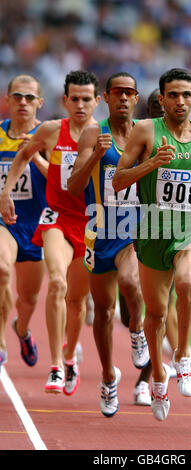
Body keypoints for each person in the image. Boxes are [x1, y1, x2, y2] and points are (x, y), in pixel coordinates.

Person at [112, 68, 191, 421]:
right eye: (172, 95)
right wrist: (152, 164)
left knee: (187, 281)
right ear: (161, 99)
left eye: (185, 95)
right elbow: (118, 180)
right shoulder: (147, 130)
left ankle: (183, 355)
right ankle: (159, 375)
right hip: (153, 232)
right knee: (156, 314)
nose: (179, 101)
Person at [0, 70, 100, 396]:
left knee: (71, 300)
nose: (81, 105)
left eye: (87, 99)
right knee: (54, 282)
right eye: (75, 99)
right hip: (50, 218)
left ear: (97, 101)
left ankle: (59, 349)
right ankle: (55, 365)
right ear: (64, 101)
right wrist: (5, 192)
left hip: (88, 221)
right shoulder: (51, 130)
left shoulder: (107, 136)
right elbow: (22, 157)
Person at [68, 72, 150, 417]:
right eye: (117, 91)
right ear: (106, 97)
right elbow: (74, 186)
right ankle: (108, 378)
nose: (123, 97)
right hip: (100, 230)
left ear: (135, 98)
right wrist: (93, 158)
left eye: (129, 92)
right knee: (101, 312)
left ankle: (137, 334)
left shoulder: (145, 133)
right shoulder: (93, 133)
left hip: (135, 227)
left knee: (131, 282)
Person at [0, 74, 48, 373]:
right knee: (2, 270)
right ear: (7, 100)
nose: (23, 102)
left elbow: (63, 182)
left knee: (28, 298)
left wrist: (33, 155)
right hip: (4, 221)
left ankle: (22, 329)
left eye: (29, 97)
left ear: (39, 103)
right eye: (17, 96)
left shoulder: (50, 136)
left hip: (37, 224)